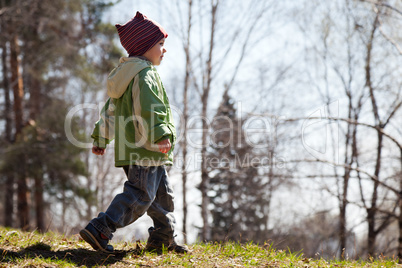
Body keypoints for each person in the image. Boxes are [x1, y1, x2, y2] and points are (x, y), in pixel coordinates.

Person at [79, 11, 188, 254]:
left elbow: (111, 111)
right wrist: (160, 133)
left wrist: (102, 137)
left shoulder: (126, 77)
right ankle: (101, 228)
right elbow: (150, 109)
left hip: (142, 150)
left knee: (162, 198)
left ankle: (163, 239)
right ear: (145, 47)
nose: (164, 49)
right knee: (140, 196)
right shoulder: (145, 75)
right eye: (160, 44)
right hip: (145, 147)